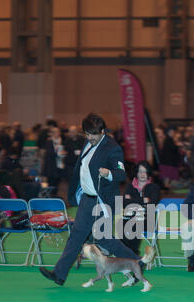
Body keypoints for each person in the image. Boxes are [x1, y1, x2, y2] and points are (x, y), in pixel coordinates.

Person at [39, 113, 148, 286]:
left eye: (93, 135)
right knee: (76, 236)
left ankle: (137, 262)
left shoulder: (113, 148)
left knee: (105, 239)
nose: (90, 138)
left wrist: (109, 173)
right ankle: (59, 275)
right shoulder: (88, 143)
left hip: (103, 201)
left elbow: (121, 174)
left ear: (102, 131)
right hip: (87, 199)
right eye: (87, 134)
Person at [122, 161, 160, 255]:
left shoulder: (154, 187)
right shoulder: (130, 186)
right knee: (124, 223)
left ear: (148, 173)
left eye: (145, 171)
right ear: (136, 173)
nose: (142, 174)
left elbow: (152, 203)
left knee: (135, 222)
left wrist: (132, 201)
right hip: (130, 217)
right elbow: (124, 203)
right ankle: (126, 254)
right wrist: (143, 200)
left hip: (148, 220)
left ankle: (133, 254)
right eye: (140, 171)